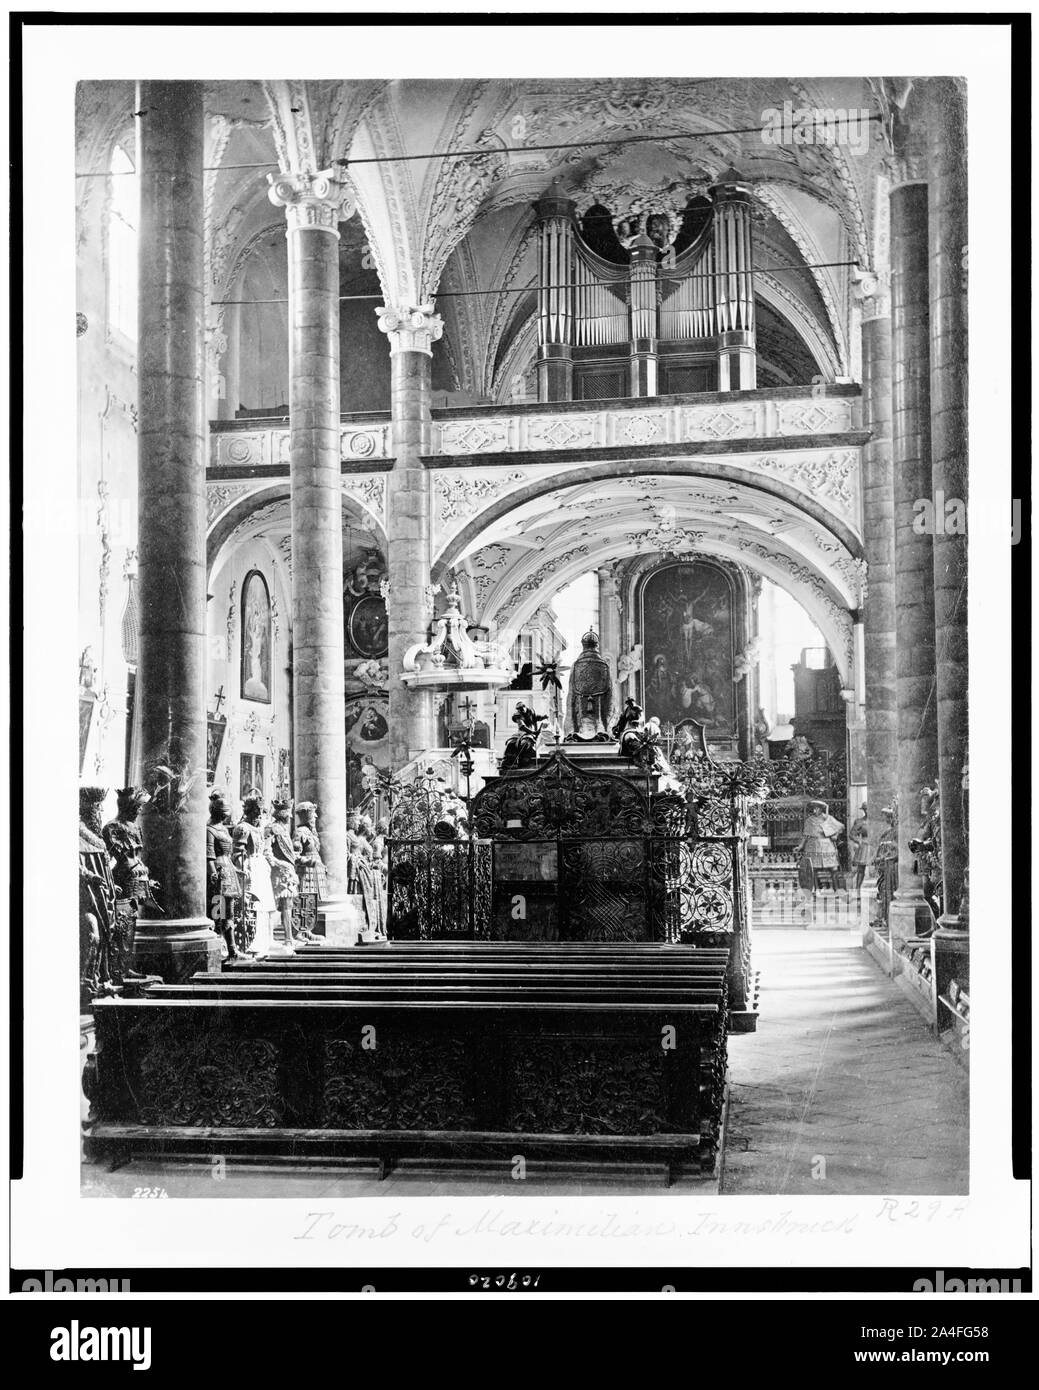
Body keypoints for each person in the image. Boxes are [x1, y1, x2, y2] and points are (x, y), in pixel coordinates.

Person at [102, 787, 157, 982]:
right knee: (122, 923)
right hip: (122, 878)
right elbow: (106, 859)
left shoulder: (135, 827)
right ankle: (117, 969)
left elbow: (137, 857)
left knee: (132, 922)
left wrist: (147, 880)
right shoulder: (112, 827)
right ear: (129, 806)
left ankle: (126, 966)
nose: (140, 810)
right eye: (138, 806)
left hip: (136, 878)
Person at [80, 786, 118, 1005]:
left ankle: (99, 980)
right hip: (87, 895)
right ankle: (87, 982)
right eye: (97, 808)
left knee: (103, 936)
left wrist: (111, 884)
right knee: (93, 936)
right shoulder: (77, 831)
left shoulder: (95, 836)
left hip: (102, 895)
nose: (100, 812)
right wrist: (89, 875)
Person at [232, 796, 276, 957]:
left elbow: (265, 848)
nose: (260, 813)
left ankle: (264, 941)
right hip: (249, 866)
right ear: (250, 811)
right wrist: (243, 869)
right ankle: (251, 943)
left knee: (264, 906)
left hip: (261, 867)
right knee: (252, 904)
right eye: (257, 810)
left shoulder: (260, 828)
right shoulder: (243, 828)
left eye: (262, 810)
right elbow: (237, 853)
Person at [207, 791, 243, 959]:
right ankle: (219, 947)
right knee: (217, 913)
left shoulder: (222, 828)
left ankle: (232, 949)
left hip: (228, 869)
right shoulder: (209, 829)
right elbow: (209, 856)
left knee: (229, 913)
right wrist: (213, 875)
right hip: (219, 872)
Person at [794, 798, 844, 906]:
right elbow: (806, 835)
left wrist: (835, 835)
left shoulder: (828, 819)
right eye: (814, 808)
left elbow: (840, 827)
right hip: (812, 846)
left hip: (827, 845)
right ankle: (816, 891)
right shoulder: (809, 820)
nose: (815, 810)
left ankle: (837, 892)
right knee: (813, 870)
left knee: (834, 869)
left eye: (817, 808)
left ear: (821, 809)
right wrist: (801, 846)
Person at [267, 798, 300, 953]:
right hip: (278, 873)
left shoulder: (284, 830)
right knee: (275, 906)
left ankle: (289, 938)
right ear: (284, 814)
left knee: (288, 906)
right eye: (288, 814)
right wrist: (280, 864)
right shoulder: (272, 829)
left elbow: (290, 854)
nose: (290, 817)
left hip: (288, 872)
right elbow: (267, 853)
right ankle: (277, 938)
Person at [293, 801, 327, 940]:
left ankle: (307, 929)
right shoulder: (300, 832)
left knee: (310, 900)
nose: (315, 818)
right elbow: (294, 856)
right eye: (313, 816)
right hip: (305, 872)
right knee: (303, 898)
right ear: (307, 817)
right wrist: (309, 861)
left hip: (313, 871)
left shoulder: (310, 832)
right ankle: (299, 931)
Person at [873, 804, 899, 931]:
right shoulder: (888, 832)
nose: (887, 820)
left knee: (886, 889)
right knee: (882, 889)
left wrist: (885, 850)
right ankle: (883, 917)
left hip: (893, 865)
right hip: (885, 865)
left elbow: (896, 847)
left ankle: (885, 917)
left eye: (889, 817)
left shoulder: (897, 831)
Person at [848, 801, 871, 894]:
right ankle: (857, 889)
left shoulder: (877, 820)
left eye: (868, 809)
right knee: (861, 869)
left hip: (875, 845)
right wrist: (858, 841)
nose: (867, 811)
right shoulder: (860, 821)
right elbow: (851, 834)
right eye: (865, 809)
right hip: (865, 846)